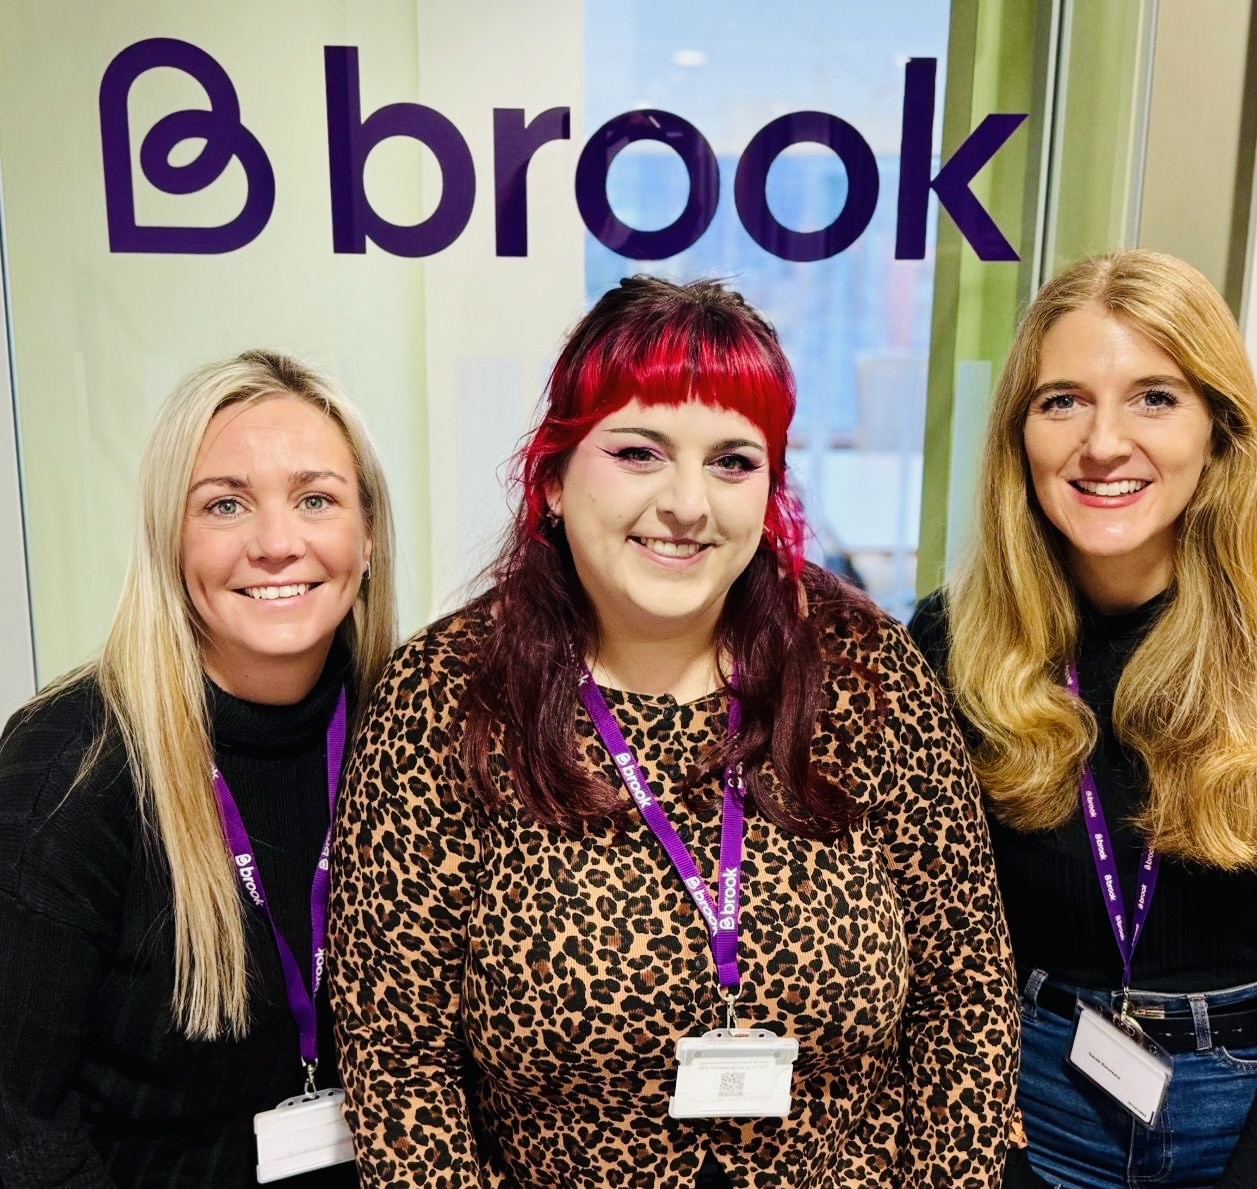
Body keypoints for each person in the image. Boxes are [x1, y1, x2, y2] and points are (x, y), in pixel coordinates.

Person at [329, 277, 1021, 1187]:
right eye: (639, 452)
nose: (688, 503)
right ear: (552, 479)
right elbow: (397, 1059)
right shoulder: (449, 694)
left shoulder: (862, 672)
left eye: (732, 461)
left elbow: (965, 992)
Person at [0, 350, 396, 1186]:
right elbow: (20, 1124)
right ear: (169, 541)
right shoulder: (71, 765)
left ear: (366, 536)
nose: (277, 544)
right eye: (225, 504)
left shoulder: (412, 734)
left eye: (316, 499)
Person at [909, 249, 1257, 1188]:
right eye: (1061, 401)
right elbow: (928, 943)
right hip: (1027, 1099)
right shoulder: (951, 641)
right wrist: (990, 1153)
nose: (1102, 443)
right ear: (1018, 435)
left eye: (1154, 398)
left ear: (1218, 430)